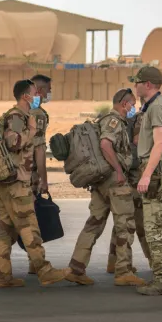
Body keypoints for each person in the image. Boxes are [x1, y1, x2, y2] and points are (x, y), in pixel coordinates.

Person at [0, 80, 71, 288]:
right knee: (30, 226)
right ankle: (44, 270)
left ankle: (2, 276)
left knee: (6, 228)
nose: (37, 95)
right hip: (16, 183)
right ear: (25, 96)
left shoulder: (19, 116)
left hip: (10, 182)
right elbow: (13, 142)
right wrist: (30, 131)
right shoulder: (17, 117)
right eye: (33, 93)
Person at [65, 88, 145, 287]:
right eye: (132, 104)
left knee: (94, 223)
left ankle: (76, 268)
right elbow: (105, 145)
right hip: (113, 180)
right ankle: (123, 271)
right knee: (125, 223)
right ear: (124, 103)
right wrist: (118, 170)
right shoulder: (114, 121)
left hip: (101, 181)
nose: (133, 108)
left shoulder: (105, 119)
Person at [130, 67, 162, 296]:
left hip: (156, 168)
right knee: (157, 225)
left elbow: (159, 143)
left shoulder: (157, 107)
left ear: (148, 84)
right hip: (157, 167)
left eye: (137, 82)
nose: (135, 86)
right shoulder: (153, 106)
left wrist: (147, 174)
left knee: (154, 227)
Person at [106, 107, 150, 273]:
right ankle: (130, 264)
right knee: (135, 221)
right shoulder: (143, 117)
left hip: (127, 173)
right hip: (135, 176)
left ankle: (113, 259)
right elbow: (139, 140)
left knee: (123, 219)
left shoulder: (134, 118)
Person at [30, 74, 52, 196]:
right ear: (40, 90)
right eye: (49, 89)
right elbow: (39, 150)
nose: (49, 93)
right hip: (28, 178)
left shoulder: (20, 110)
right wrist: (44, 181)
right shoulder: (38, 114)